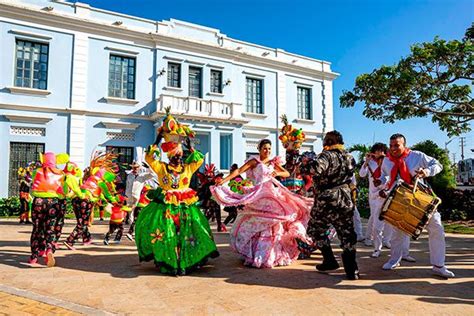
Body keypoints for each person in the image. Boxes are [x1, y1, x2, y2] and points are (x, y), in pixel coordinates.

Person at [134, 110, 219, 275]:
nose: (179, 158)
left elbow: (199, 159)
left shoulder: (187, 168)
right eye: (175, 155)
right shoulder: (162, 168)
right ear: (169, 156)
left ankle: (186, 260)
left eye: (180, 155)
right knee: (168, 233)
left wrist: (189, 144)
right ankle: (170, 260)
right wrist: (158, 139)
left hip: (185, 207)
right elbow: (150, 158)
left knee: (187, 233)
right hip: (166, 208)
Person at [212, 139, 313, 268]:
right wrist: (224, 180)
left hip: (271, 193)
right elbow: (239, 171)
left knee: (274, 222)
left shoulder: (272, 162)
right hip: (258, 194)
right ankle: (256, 253)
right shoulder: (255, 161)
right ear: (259, 149)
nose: (267, 151)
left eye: (269, 149)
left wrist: (278, 172)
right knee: (259, 220)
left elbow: (286, 173)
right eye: (265, 148)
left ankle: (270, 254)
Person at [379, 134, 454, 278]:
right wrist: (382, 185)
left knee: (437, 228)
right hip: (399, 200)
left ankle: (439, 265)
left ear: (404, 145)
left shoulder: (417, 156)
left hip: (422, 198)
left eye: (397, 145)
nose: (393, 148)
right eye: (391, 145)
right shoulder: (387, 161)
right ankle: (394, 260)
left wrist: (426, 172)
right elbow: (385, 177)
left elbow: (437, 165)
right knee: (398, 231)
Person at [302, 131, 360, 280]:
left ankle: (329, 259)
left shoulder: (326, 155)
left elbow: (314, 170)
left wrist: (306, 163)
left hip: (327, 199)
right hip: (345, 197)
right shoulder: (349, 157)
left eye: (326, 140)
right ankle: (352, 270)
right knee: (347, 233)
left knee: (315, 229)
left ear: (329, 142)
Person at [28, 152, 69, 267]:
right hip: (53, 203)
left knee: (37, 229)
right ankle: (49, 250)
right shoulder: (61, 174)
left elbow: (33, 183)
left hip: (38, 202)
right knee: (50, 228)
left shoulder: (37, 171)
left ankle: (34, 257)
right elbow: (64, 192)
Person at [359, 143, 395, 258]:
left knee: (389, 218)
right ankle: (370, 239)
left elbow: (392, 177)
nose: (378, 153)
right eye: (376, 150)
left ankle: (386, 240)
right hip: (374, 195)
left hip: (387, 194)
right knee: (374, 218)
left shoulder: (389, 162)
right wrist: (366, 162)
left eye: (381, 150)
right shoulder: (370, 163)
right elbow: (361, 174)